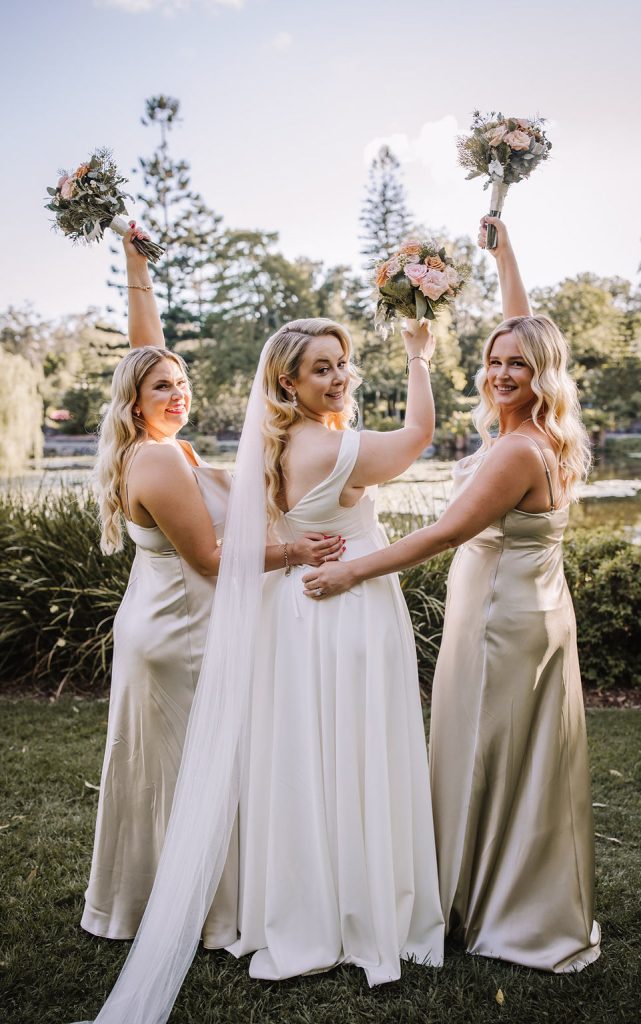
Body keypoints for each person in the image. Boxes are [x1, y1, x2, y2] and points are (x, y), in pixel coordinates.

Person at [303, 217, 601, 973]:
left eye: (518, 367)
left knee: (482, 753)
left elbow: (440, 536)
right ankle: (500, 891)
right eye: (496, 361)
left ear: (544, 375)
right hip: (531, 612)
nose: (501, 373)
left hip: (501, 622)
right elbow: (523, 328)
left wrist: (349, 571)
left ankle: (488, 904)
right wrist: (506, 258)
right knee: (516, 759)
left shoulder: (513, 452)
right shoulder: (545, 433)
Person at [82, 226, 342, 948]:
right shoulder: (157, 461)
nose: (179, 392)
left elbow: (149, 351)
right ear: (135, 401)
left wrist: (137, 270)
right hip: (178, 632)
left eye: (182, 382)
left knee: (179, 768)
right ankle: (193, 910)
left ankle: (149, 903)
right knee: (184, 771)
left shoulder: (166, 445)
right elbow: (209, 559)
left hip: (169, 624)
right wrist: (295, 551)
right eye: (162, 387)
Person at [227, 317, 445, 983]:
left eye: (340, 363)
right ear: (286, 382)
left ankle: (307, 902)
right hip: (348, 606)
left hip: (296, 608)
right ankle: (362, 907)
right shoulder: (328, 447)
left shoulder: (278, 445)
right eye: (320, 368)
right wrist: (418, 356)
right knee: (357, 749)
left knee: (308, 755)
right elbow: (417, 438)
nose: (339, 377)